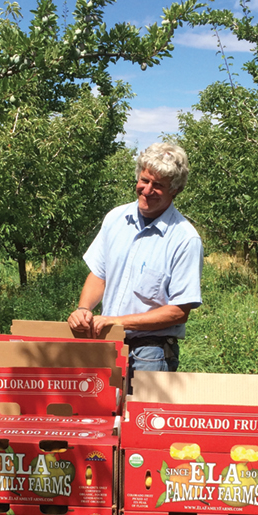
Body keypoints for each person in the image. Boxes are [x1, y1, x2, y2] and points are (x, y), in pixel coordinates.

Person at [67, 142, 203, 373]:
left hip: (151, 353)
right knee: (104, 408)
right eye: (145, 180)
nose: (147, 190)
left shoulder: (185, 239)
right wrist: (84, 309)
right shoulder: (116, 218)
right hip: (107, 344)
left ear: (176, 190)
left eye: (158, 185)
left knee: (143, 410)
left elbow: (179, 311)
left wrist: (115, 321)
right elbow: (100, 275)